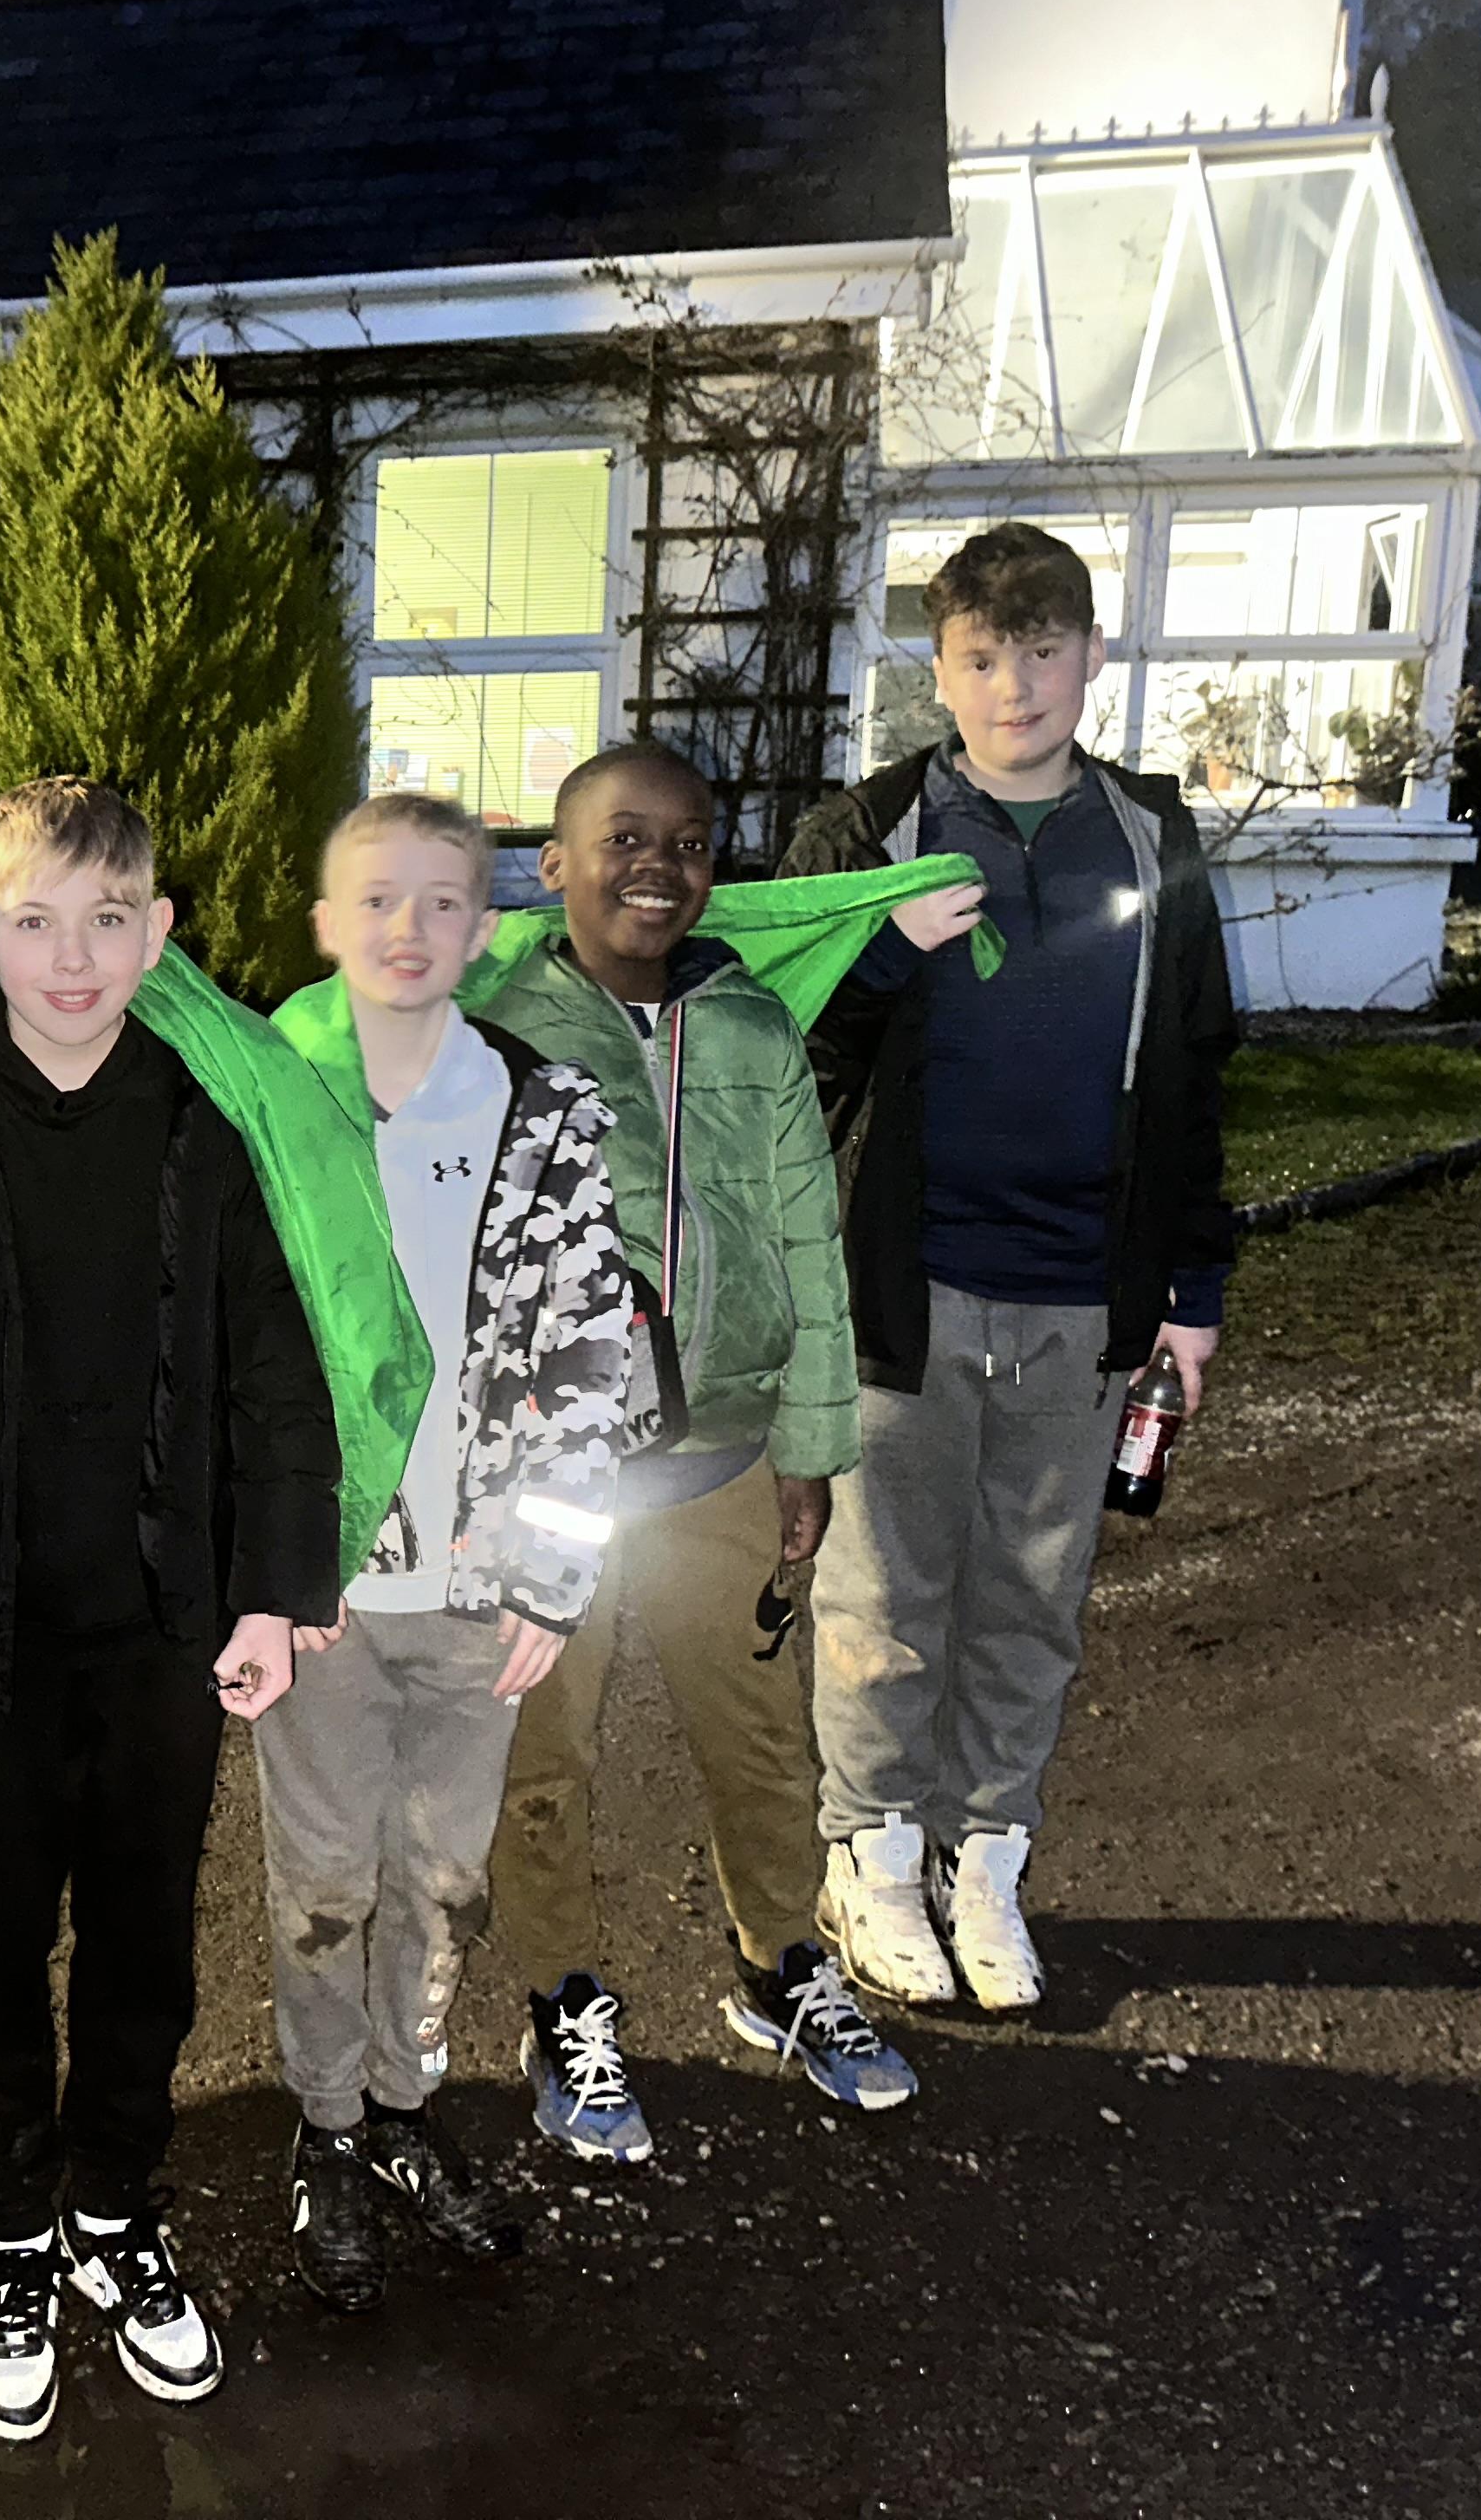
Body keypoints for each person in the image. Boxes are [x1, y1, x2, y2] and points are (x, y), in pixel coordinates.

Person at [0, 778, 341, 2443]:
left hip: (160, 1625)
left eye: (109, 919)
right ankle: (12, 2236)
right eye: (32, 920)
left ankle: (110, 2207)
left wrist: (276, 1586)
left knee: (143, 1939)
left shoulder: (204, 1109)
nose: (71, 955)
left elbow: (272, 1355)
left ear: (156, 931)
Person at [778, 519, 1235, 2015]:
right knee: (881, 1599)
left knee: (1033, 1599)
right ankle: (870, 1855)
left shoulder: (1151, 839)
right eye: (982, 657)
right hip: (900, 1293)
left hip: (1081, 1300)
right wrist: (883, 948)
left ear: (1093, 654)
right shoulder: (869, 835)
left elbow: (1196, 1076)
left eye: (1043, 651)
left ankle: (985, 1857)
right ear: (939, 666)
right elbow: (778, 1057)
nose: (1016, 687)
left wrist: (1190, 1292)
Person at [476, 740, 919, 2145]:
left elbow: (807, 1248)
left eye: (687, 842)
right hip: (555, 1488)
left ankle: (782, 1963)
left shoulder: (751, 1031)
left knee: (765, 1743)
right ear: (555, 864)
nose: (657, 867)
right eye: (623, 838)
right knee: (543, 1759)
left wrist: (810, 1447)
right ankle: (563, 1998)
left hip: (724, 1463)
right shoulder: (494, 1031)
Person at [258, 791, 632, 2311]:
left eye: (439, 902)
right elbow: (239, 1352)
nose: (406, 928)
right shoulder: (277, 1103)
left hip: (479, 1598)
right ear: (324, 924)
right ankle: (326, 2125)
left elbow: (587, 1351)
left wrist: (549, 1574)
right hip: (326, 1598)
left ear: (484, 930)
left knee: (443, 1869)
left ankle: (405, 2103)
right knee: (322, 1873)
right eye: (375, 898)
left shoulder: (542, 1115)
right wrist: (272, 1566)